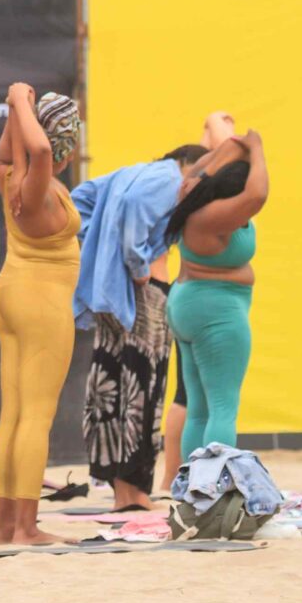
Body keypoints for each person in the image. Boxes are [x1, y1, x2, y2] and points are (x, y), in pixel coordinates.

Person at [71, 125, 224, 508]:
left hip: (111, 293)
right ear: (188, 165)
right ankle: (135, 493)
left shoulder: (130, 173)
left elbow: (77, 201)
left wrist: (98, 243)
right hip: (144, 293)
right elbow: (137, 214)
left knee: (112, 386)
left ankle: (123, 491)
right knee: (144, 388)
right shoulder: (167, 179)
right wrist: (136, 263)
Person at [0, 86, 84, 546]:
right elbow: (42, 148)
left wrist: (13, 107)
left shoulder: (10, 178)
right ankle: (26, 527)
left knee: (12, 415)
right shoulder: (39, 189)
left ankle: (3, 526)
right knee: (36, 417)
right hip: (41, 302)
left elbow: (19, 149)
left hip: (8, 292)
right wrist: (20, 102)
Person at [166, 127, 269, 457]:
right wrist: (257, 147)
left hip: (190, 305)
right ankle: (214, 493)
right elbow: (258, 195)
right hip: (215, 311)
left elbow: (210, 161)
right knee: (224, 406)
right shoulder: (214, 216)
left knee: (199, 408)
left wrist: (236, 146)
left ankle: (192, 491)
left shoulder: (191, 196)